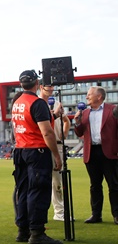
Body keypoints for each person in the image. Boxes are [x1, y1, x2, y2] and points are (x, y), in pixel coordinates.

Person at [11, 70, 63, 244]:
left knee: (23, 190)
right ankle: (37, 232)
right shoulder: (37, 103)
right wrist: (56, 155)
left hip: (21, 149)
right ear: (37, 83)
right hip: (36, 150)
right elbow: (47, 132)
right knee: (38, 191)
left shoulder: (17, 102)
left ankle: (23, 229)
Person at [73, 86, 118, 224]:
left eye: (89, 94)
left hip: (110, 152)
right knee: (95, 186)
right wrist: (77, 122)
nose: (87, 97)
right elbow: (80, 133)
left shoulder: (113, 110)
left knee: (114, 185)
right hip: (91, 152)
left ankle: (117, 215)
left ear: (99, 97)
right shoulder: (84, 113)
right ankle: (96, 214)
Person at [39, 84, 70, 221]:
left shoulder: (57, 103)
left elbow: (67, 121)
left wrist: (63, 135)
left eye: (52, 87)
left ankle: (60, 211)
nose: (51, 89)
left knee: (57, 181)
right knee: (42, 181)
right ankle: (43, 214)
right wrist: (54, 115)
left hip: (57, 145)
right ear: (41, 87)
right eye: (48, 86)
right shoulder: (38, 103)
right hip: (42, 146)